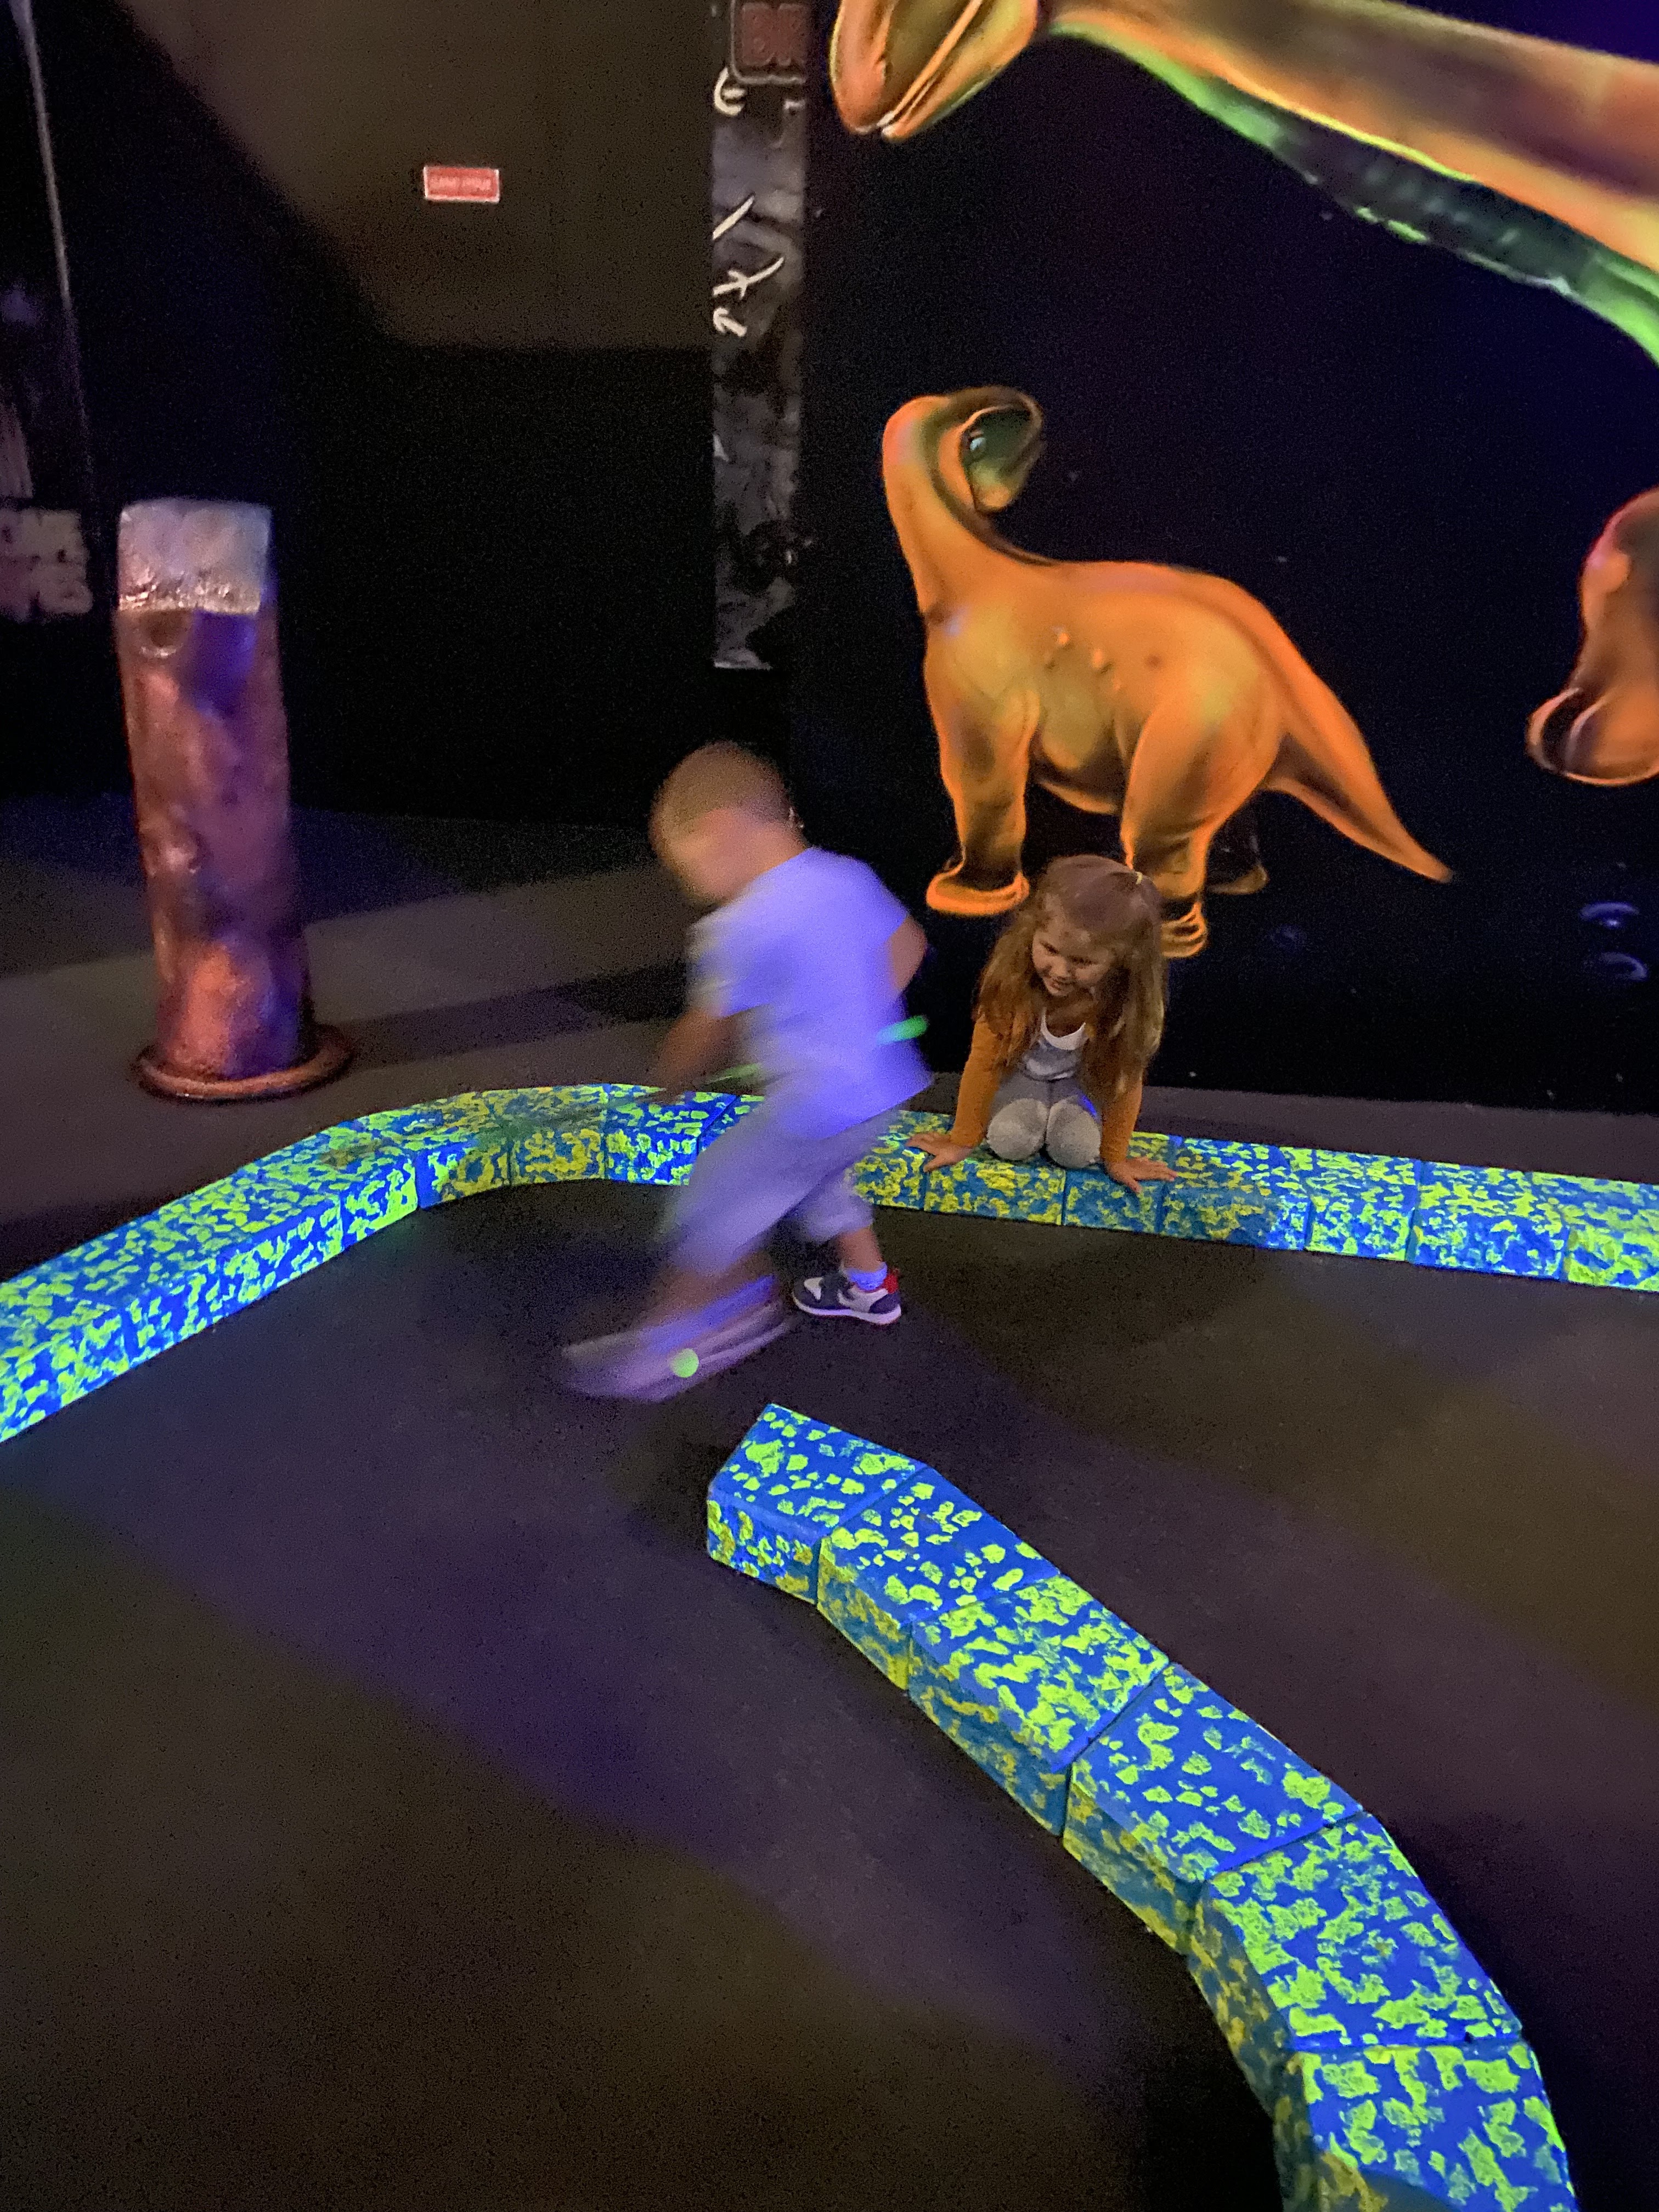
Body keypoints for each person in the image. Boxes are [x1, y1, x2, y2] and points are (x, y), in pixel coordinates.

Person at [563, 743, 929, 1401]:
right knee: (824, 1178)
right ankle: (870, 1288)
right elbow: (908, 945)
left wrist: (669, 1085)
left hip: (813, 1109)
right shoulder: (847, 877)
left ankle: (690, 1335)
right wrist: (851, 1023)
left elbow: (705, 1031)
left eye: (688, 867)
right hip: (884, 1095)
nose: (690, 887)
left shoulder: (738, 926)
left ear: (721, 829)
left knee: (713, 1200)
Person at [910, 855, 1178, 1186]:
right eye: (1050, 949)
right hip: (1018, 1075)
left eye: (1082, 962)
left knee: (1076, 1150)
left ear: (1122, 960)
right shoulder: (1014, 986)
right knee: (1011, 1140)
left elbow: (1125, 1081)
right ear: (1032, 931)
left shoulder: (1121, 1006)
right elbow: (984, 1064)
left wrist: (1115, 1157)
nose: (1060, 971)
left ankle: (1062, 1118)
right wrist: (962, 1141)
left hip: (1078, 1084)